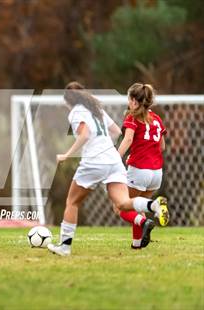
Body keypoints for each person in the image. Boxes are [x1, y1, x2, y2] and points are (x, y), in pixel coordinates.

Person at [47, 82, 169, 256]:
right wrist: (106, 147)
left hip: (94, 161)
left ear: (68, 101)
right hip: (114, 160)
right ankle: (153, 206)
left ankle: (65, 247)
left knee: (72, 202)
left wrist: (67, 154)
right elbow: (116, 131)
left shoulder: (75, 111)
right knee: (123, 203)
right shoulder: (97, 109)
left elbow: (85, 134)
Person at [116, 83, 168, 249]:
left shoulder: (132, 117)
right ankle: (137, 244)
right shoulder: (157, 119)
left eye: (129, 99)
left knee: (121, 207)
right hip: (156, 173)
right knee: (139, 206)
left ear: (134, 101)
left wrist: (115, 158)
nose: (128, 103)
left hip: (139, 170)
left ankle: (146, 220)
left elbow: (129, 139)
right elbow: (162, 147)